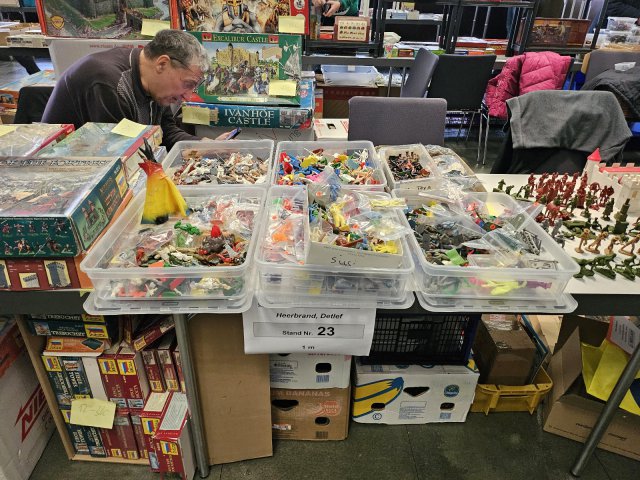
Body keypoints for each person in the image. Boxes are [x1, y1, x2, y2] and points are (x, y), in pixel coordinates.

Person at [42, 29, 227, 149]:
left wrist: (205, 146)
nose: (187, 96)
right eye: (188, 84)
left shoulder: (155, 85)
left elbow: (165, 132)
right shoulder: (108, 83)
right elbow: (119, 152)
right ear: (162, 64)